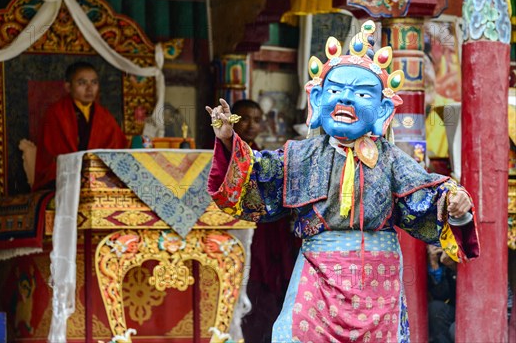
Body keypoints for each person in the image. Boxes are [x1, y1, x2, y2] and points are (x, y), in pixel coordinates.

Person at [205, 21, 479, 342]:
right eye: (335, 91)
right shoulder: (300, 155)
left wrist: (456, 205)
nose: (345, 100)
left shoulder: (391, 159)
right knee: (291, 335)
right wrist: (227, 141)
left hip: (379, 280)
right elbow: (260, 171)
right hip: (318, 274)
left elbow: (427, 193)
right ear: (318, 101)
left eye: (361, 93)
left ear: (382, 109)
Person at [230, 99, 301, 343]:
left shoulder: (261, 156)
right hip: (238, 236)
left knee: (266, 298)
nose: (251, 125)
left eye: (257, 120)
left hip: (267, 237)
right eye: (244, 119)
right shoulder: (223, 155)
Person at [33, 62, 127, 191]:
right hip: (63, 177)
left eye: (94, 83)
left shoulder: (105, 116)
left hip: (99, 178)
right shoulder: (56, 113)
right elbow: (53, 156)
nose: (89, 89)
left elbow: (117, 150)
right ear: (68, 87)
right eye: (82, 83)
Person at [427, 244, 456, 343]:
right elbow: (441, 294)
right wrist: (434, 265)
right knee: (436, 309)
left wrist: (454, 266)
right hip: (455, 308)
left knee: (454, 330)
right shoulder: (441, 258)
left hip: (477, 309)